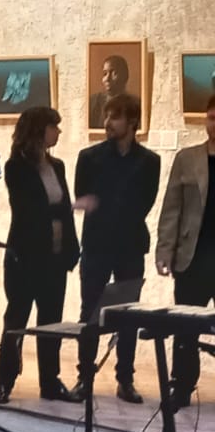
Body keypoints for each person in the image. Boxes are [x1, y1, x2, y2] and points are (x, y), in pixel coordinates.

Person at [73, 93, 160, 403]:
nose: (108, 123)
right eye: (106, 116)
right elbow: (84, 196)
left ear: (133, 122)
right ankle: (84, 377)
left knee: (127, 315)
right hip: (96, 244)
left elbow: (145, 203)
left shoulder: (150, 161)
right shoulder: (89, 157)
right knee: (90, 312)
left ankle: (126, 379)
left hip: (130, 245)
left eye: (115, 117)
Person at [0, 107, 82, 405]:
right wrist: (69, 207)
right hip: (26, 257)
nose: (57, 132)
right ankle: (4, 380)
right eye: (53, 127)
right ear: (37, 130)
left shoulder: (57, 166)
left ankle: (50, 381)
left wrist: (72, 249)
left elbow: (64, 211)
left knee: (51, 323)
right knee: (16, 318)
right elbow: (30, 210)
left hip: (55, 258)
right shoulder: (15, 167)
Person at [155, 96, 215, 410]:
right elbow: (171, 209)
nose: (213, 124)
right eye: (210, 117)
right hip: (192, 259)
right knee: (185, 329)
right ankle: (182, 386)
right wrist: (164, 250)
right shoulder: (187, 158)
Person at [88, 54, 130, 130]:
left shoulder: (134, 104)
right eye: (105, 73)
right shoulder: (93, 101)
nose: (107, 78)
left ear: (125, 76)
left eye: (114, 73)